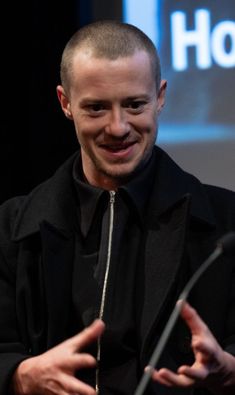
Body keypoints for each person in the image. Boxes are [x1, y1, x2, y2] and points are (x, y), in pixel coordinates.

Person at [0, 20, 234, 395]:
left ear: (160, 97)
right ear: (65, 103)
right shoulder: (11, 229)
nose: (118, 127)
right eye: (95, 108)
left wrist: (230, 371)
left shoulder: (226, 226)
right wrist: (19, 375)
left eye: (134, 104)